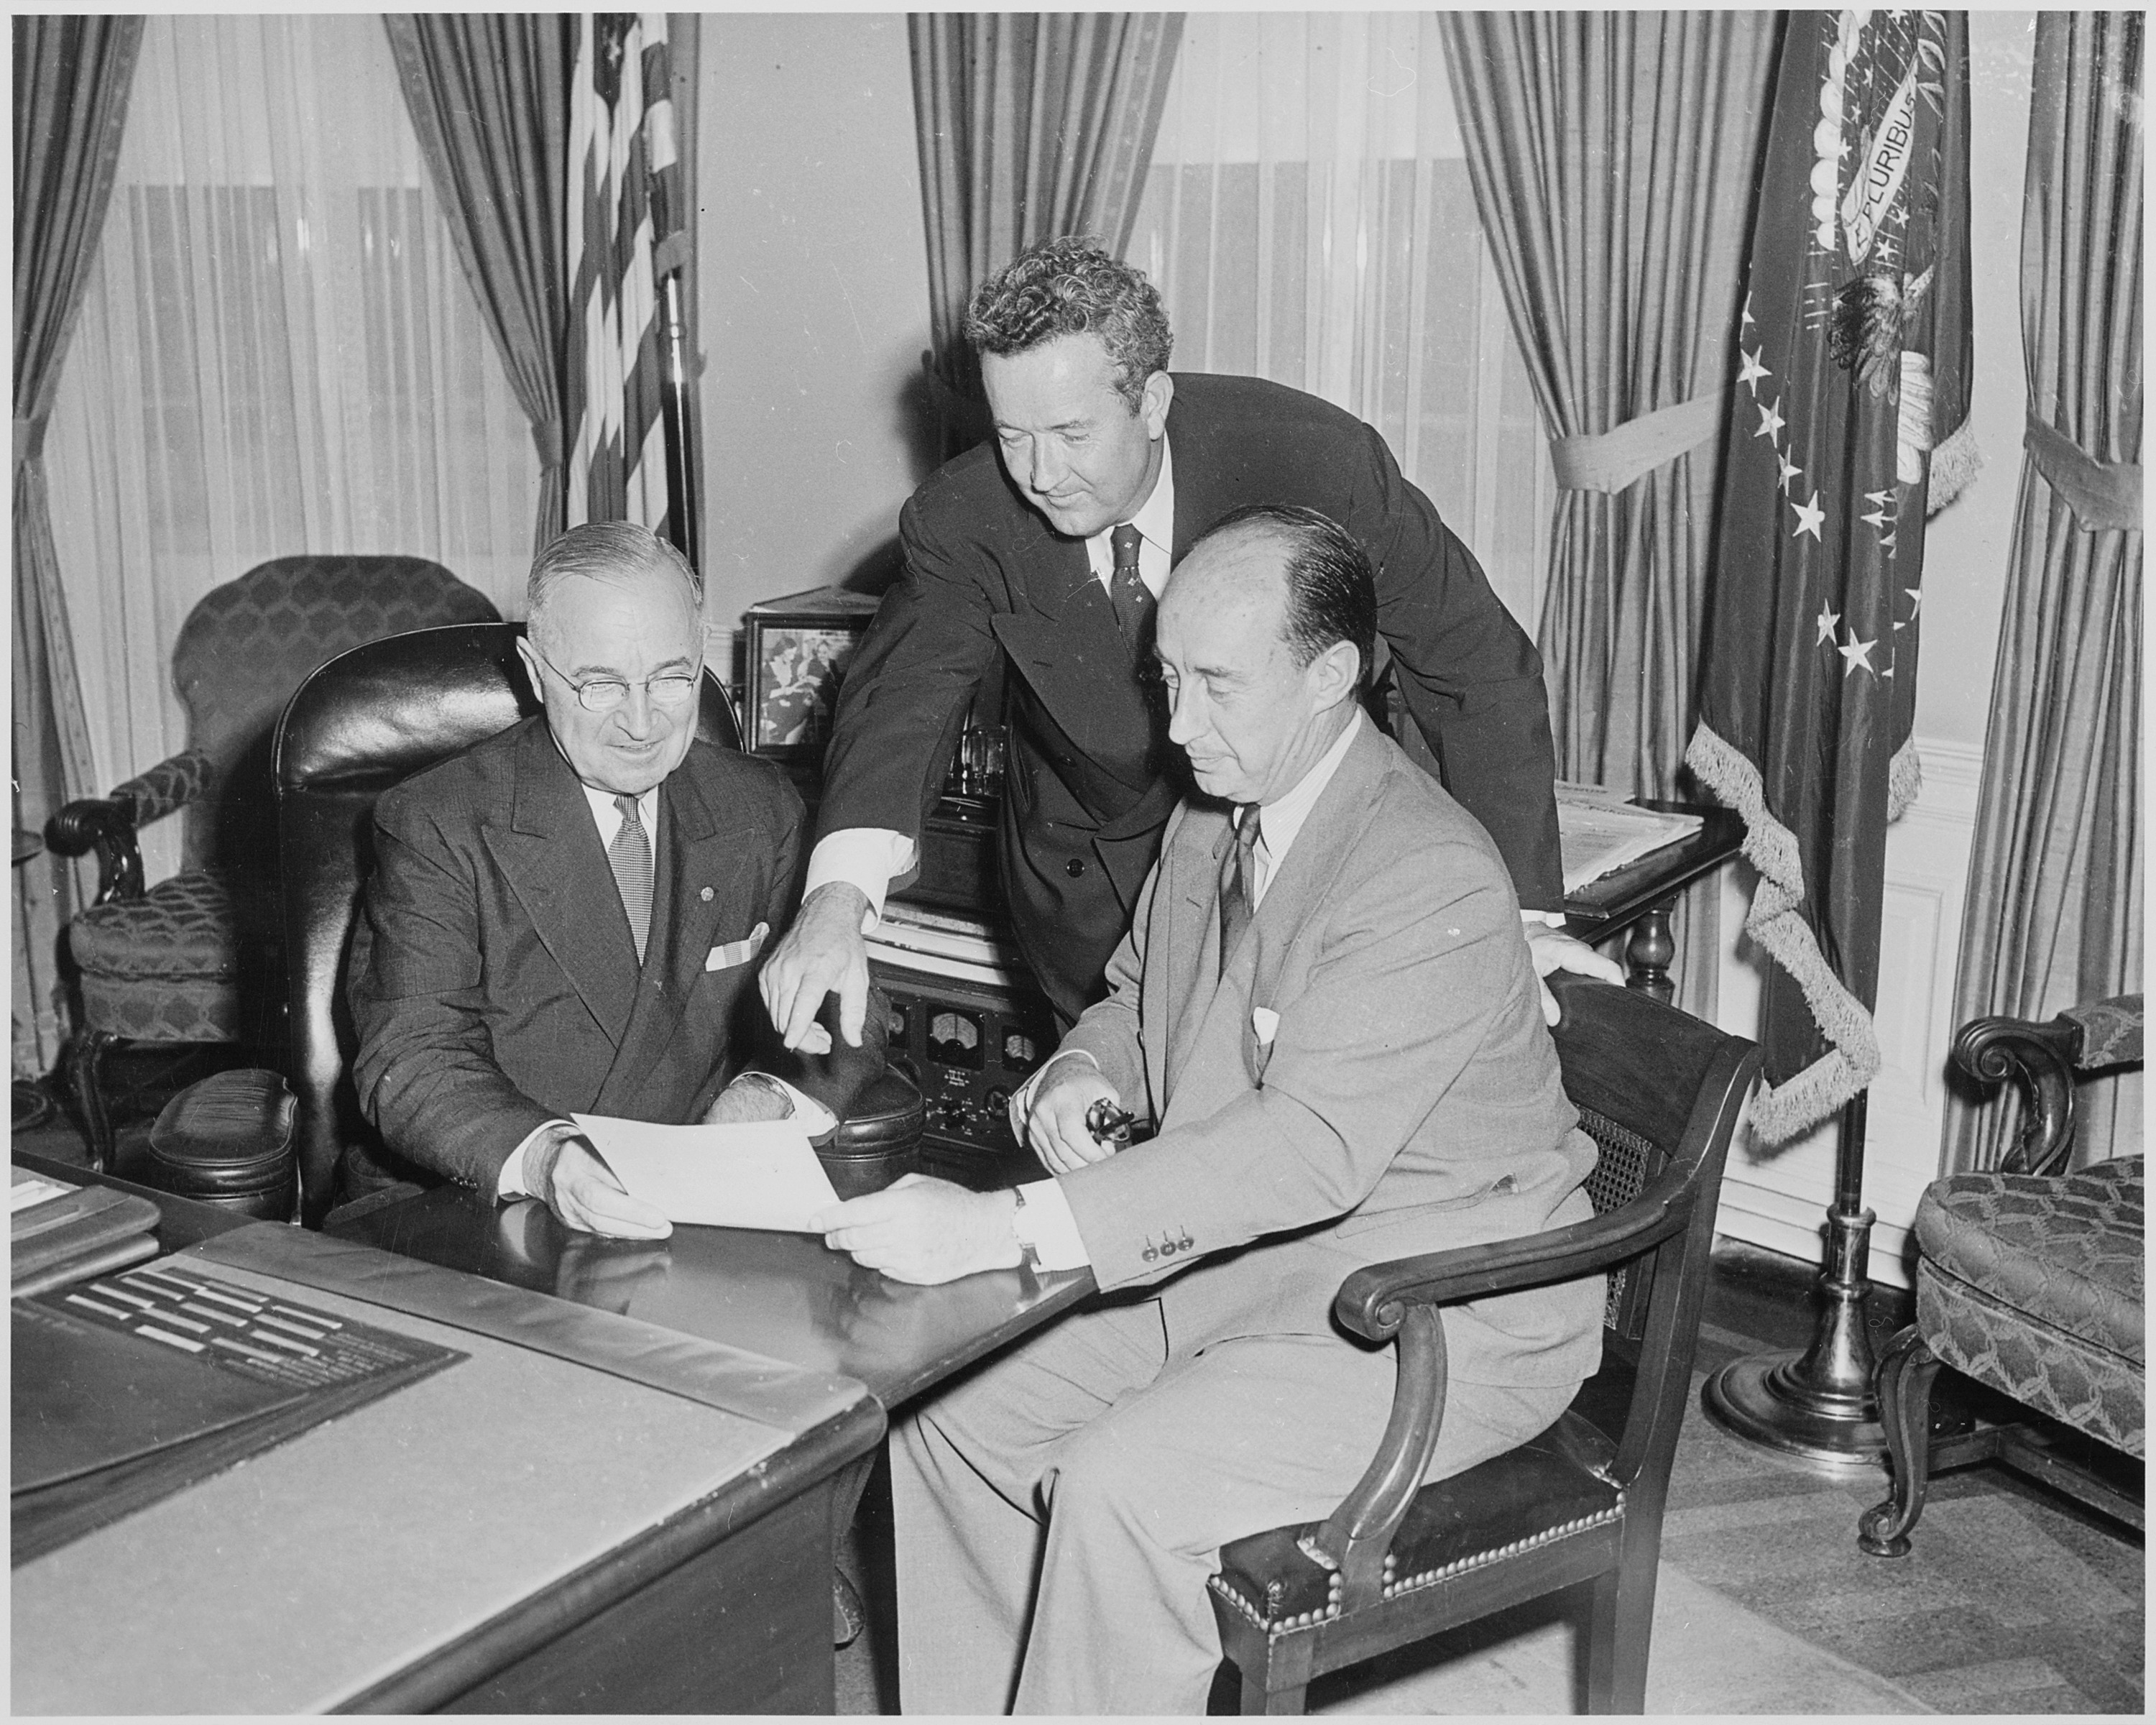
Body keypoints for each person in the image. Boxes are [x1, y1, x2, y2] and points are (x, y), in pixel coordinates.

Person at [809, 505, 1608, 1714]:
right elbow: (1145, 998)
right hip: (1248, 1268)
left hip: (1432, 1307)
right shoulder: (1216, 809)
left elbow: (1307, 1154)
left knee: (1124, 1489)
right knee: (953, 1422)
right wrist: (1087, 1072)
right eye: (1167, 678)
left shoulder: (1422, 870)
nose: (1177, 727)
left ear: (1332, 676)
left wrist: (1005, 1226)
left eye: (1217, 686)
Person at [762, 235, 1616, 1055]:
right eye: (1011, 436)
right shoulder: (967, 517)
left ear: (1155, 401)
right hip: (1093, 898)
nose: (1040, 475)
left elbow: (1475, 666)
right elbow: (899, 700)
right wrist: (838, 899)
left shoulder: (1316, 464)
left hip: (1308, 862)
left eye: (1070, 434)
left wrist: (1523, 919)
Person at [346, 520, 886, 1238]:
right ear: (537, 674)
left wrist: (767, 1094)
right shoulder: (436, 822)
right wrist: (548, 1159)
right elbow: (412, 1055)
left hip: (690, 1203)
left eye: (671, 677)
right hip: (480, 1199)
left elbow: (848, 1007)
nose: (641, 722)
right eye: (601, 685)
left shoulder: (760, 808)